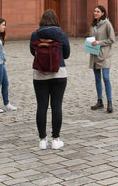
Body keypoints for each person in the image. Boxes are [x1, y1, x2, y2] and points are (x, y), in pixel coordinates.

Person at [30, 9, 70, 150]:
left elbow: (32, 51)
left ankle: (42, 140)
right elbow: (67, 54)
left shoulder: (35, 34)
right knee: (56, 106)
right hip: (59, 73)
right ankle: (55, 139)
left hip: (40, 74)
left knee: (41, 106)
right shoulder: (61, 34)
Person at [88, 5, 115, 113]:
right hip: (94, 54)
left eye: (98, 11)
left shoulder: (107, 24)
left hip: (104, 55)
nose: (95, 13)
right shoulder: (93, 24)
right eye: (94, 11)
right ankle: (100, 101)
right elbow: (91, 38)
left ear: (103, 13)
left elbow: (112, 39)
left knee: (106, 78)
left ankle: (109, 102)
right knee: (97, 78)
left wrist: (99, 42)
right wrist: (89, 44)